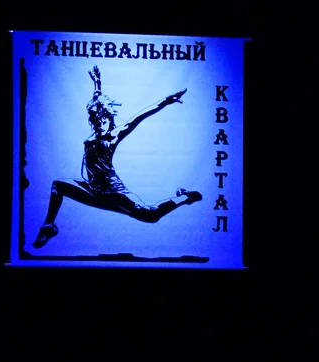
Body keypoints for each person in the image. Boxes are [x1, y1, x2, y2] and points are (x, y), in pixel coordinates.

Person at [31, 65, 203, 248]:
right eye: (93, 118)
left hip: (114, 192)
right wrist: (97, 83)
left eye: (99, 118)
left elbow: (141, 116)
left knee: (151, 215)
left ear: (106, 117)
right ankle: (49, 225)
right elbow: (96, 101)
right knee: (58, 185)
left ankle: (185, 197)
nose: (95, 122)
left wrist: (166, 101)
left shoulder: (114, 135)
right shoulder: (95, 131)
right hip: (93, 191)